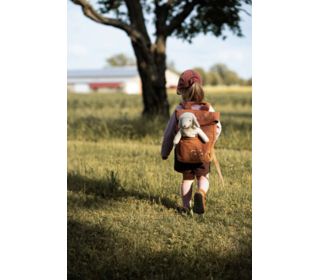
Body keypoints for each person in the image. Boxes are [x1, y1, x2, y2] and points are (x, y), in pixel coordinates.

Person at [161, 70, 222, 214]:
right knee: (203, 176)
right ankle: (201, 192)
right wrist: (209, 143)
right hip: (203, 152)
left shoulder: (179, 110)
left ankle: (185, 206)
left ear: (182, 91)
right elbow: (217, 128)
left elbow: (169, 134)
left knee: (187, 179)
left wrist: (165, 152)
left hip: (184, 152)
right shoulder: (208, 109)